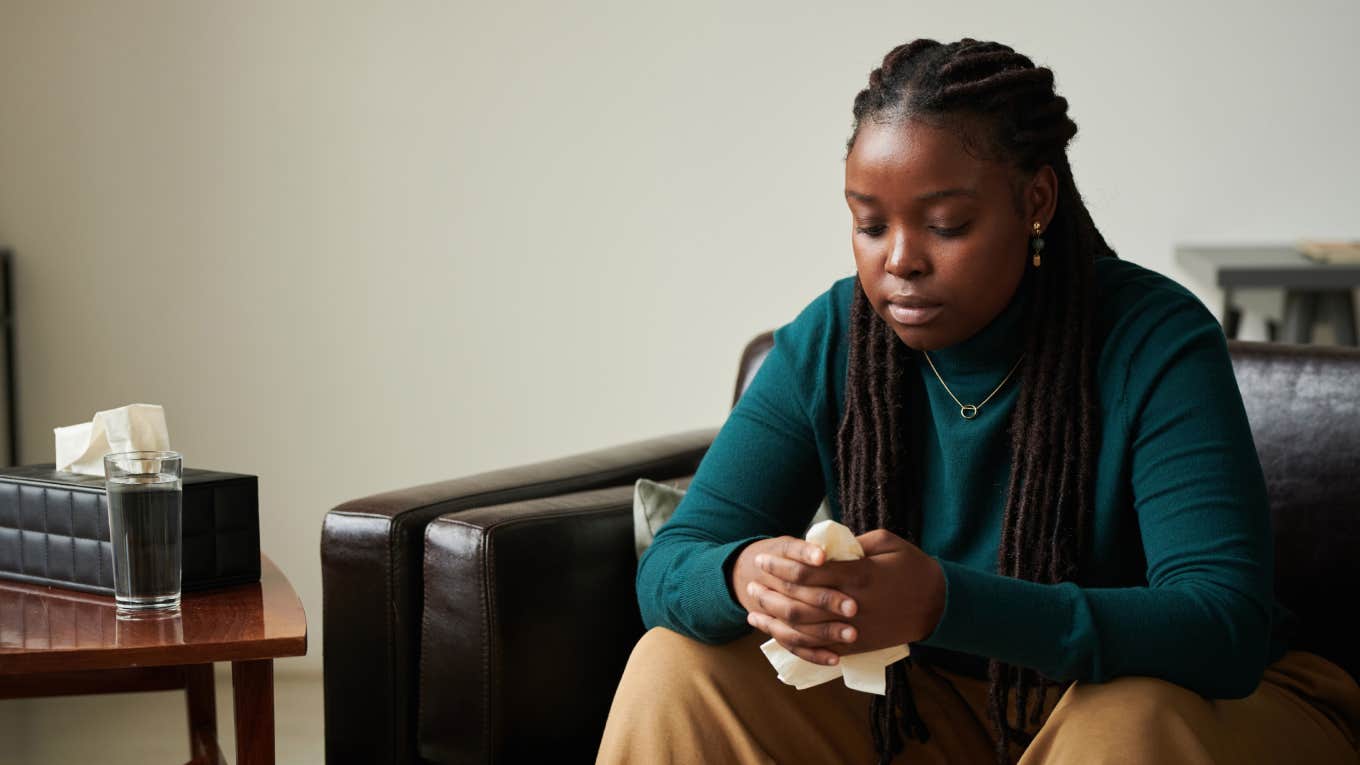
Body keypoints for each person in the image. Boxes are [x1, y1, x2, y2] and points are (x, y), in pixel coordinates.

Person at [596, 38, 1360, 764]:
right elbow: (671, 563)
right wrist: (743, 575)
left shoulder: (1152, 339)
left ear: (1035, 199)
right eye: (869, 223)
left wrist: (945, 602)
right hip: (936, 712)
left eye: (945, 224)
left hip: (1193, 713)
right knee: (675, 667)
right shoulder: (834, 339)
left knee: (1124, 717)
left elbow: (1219, 627)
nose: (900, 260)